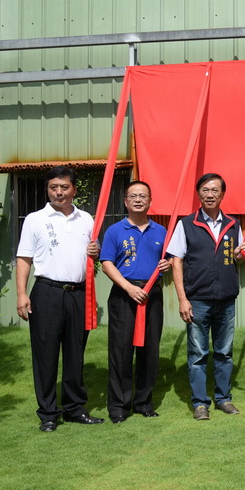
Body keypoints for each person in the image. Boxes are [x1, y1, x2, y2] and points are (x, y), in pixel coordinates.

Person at [16, 166, 103, 432]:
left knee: (76, 353)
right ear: (48, 189)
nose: (58, 192)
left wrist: (96, 250)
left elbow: (92, 255)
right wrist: (21, 293)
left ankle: (75, 408)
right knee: (46, 354)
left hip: (78, 293)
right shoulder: (34, 219)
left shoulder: (87, 219)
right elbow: (24, 258)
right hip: (46, 293)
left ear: (74, 189)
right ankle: (49, 413)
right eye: (54, 187)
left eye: (64, 187)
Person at [168, 173, 245, 421]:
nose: (210, 194)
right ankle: (200, 403)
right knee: (198, 353)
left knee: (224, 352)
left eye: (215, 190)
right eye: (205, 190)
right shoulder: (186, 224)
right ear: (198, 193)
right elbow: (176, 261)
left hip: (225, 299)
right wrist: (183, 298)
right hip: (198, 300)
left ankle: (224, 399)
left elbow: (237, 258)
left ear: (222, 194)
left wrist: (240, 255)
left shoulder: (233, 224)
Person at [99, 181, 170, 424]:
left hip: (152, 294)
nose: (138, 199)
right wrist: (129, 288)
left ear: (151, 202)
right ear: (125, 202)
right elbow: (107, 263)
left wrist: (168, 265)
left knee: (150, 350)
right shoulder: (114, 231)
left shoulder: (161, 232)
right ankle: (118, 406)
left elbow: (169, 261)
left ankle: (143, 402)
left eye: (143, 196)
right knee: (121, 351)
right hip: (124, 295)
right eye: (133, 196)